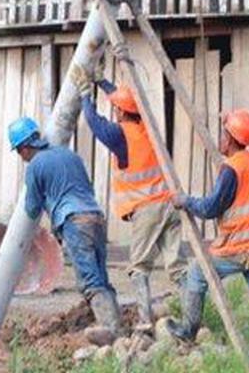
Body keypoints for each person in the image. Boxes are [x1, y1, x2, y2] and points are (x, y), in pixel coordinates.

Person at [71, 65, 187, 332]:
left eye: (117, 109)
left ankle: (145, 320)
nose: (116, 112)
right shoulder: (147, 126)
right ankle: (191, 317)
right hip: (170, 205)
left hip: (148, 209)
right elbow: (126, 100)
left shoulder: (120, 135)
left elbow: (93, 122)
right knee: (177, 267)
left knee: (139, 267)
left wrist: (85, 93)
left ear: (122, 112)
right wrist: (102, 82)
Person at [167, 109, 249, 358]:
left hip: (242, 248)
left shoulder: (232, 169)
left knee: (198, 272)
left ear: (230, 139)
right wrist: (229, 121)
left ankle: (188, 330)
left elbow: (211, 208)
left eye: (223, 134)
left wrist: (185, 201)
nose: (220, 138)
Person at [8, 116, 121, 345]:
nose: (21, 157)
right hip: (96, 218)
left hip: (74, 221)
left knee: (90, 280)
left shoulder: (35, 166)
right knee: (100, 276)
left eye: (19, 151)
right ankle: (117, 325)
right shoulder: (70, 155)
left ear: (24, 147)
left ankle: (110, 332)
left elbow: (31, 208)